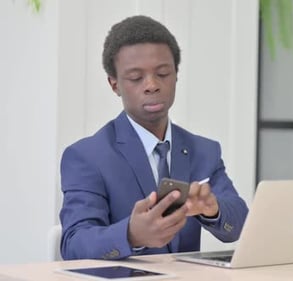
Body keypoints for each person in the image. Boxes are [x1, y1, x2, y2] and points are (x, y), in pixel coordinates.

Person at [59, 15, 249, 260]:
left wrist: (213, 210)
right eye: (136, 78)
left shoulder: (204, 150)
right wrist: (131, 234)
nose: (151, 85)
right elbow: (74, 244)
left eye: (162, 73)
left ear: (176, 75)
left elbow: (239, 222)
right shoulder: (86, 156)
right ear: (114, 84)